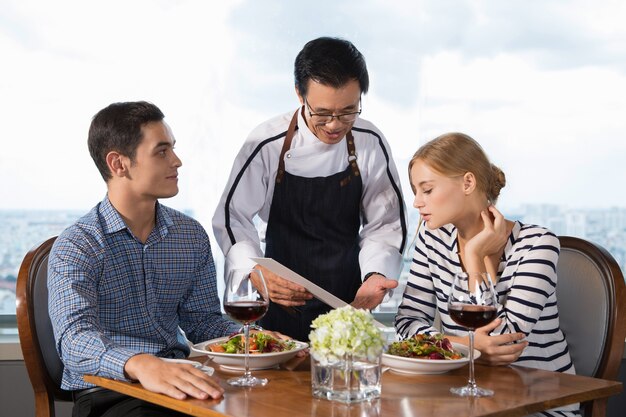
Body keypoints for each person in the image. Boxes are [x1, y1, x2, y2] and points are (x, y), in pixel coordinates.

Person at [48, 101, 241, 417]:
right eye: (161, 151)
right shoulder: (77, 245)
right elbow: (73, 340)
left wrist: (250, 340)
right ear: (118, 163)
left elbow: (202, 321)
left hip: (183, 383)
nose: (177, 161)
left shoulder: (190, 235)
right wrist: (140, 364)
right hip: (109, 393)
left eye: (173, 149)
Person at [212, 37, 407, 342]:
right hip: (280, 305)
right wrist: (254, 272)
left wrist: (375, 275)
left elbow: (385, 223)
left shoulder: (369, 141)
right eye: (323, 112)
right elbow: (232, 217)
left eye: (347, 111)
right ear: (299, 95)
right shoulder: (267, 143)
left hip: (348, 305)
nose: (334, 125)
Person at [395, 132, 578, 416]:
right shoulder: (434, 241)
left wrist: (475, 257)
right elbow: (407, 323)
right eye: (415, 191)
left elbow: (506, 344)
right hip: (465, 399)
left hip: (539, 404)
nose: (417, 202)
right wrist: (464, 345)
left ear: (468, 182)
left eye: (427, 190)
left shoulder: (538, 245)